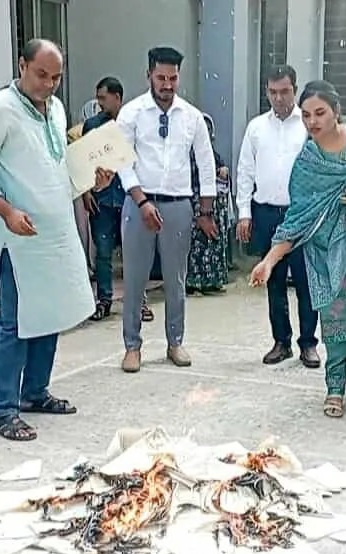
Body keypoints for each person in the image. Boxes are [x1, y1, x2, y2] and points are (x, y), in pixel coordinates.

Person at [0, 39, 113, 441]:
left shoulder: (56, 109)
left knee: (50, 315)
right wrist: (6, 211)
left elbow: (56, 170)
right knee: (15, 323)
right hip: (16, 237)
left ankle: (35, 392)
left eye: (56, 78)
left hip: (55, 233)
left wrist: (93, 180)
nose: (48, 84)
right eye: (41, 75)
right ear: (22, 66)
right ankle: (4, 409)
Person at [249, 80, 346, 418]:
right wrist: (270, 261)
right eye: (306, 115)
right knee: (335, 316)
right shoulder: (309, 162)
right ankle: (335, 386)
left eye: (320, 113)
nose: (312, 122)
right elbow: (298, 217)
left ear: (337, 111)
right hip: (331, 255)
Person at [116, 46, 217, 373]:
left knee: (176, 279)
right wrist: (141, 201)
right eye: (161, 77)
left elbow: (205, 162)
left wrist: (205, 210)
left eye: (173, 78)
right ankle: (132, 346)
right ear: (148, 75)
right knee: (135, 279)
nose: (167, 84)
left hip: (177, 205)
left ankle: (175, 342)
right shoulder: (131, 113)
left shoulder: (191, 116)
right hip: (138, 203)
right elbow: (122, 162)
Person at [236, 64, 320, 367]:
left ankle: (308, 344)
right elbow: (245, 171)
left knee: (306, 282)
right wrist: (244, 213)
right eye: (272, 92)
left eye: (284, 91)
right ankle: (281, 342)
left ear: (294, 89)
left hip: (301, 214)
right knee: (272, 280)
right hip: (266, 213)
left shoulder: (308, 126)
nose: (279, 98)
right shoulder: (256, 127)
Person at [82, 76, 154, 323]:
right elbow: (84, 162)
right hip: (101, 200)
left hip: (129, 198)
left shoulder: (134, 124)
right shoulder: (92, 126)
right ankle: (104, 300)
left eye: (103, 98)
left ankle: (139, 301)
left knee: (134, 252)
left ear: (117, 97)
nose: (100, 104)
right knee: (102, 253)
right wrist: (86, 192)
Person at [186, 112, 231, 294]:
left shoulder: (212, 152)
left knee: (213, 241)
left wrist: (223, 171)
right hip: (196, 204)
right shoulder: (189, 154)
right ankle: (195, 281)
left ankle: (212, 280)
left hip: (213, 206)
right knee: (198, 243)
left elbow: (219, 167)